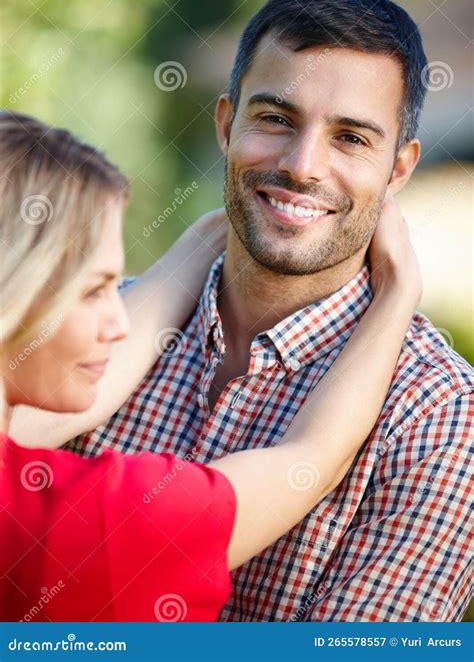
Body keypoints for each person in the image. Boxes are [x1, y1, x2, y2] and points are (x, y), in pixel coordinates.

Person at [12, 0, 474, 622]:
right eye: (277, 119)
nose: (303, 165)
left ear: (399, 169)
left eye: (352, 138)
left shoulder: (438, 417)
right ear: (227, 125)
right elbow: (304, 464)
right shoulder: (89, 339)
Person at [1, 111, 421, 622]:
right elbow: (309, 458)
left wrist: (230, 222)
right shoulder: (81, 524)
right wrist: (397, 293)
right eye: (92, 290)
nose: (118, 322)